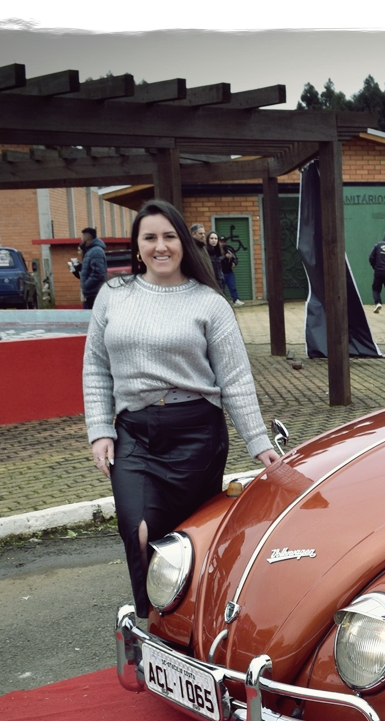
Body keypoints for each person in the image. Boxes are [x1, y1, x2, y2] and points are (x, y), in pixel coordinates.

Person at [82, 199, 279, 618]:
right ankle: (151, 623)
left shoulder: (209, 303)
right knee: (139, 531)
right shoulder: (113, 295)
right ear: (137, 247)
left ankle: (193, 624)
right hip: (134, 435)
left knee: (191, 541)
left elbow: (235, 379)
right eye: (150, 237)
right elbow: (96, 367)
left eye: (169, 236)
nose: (161, 246)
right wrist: (100, 430)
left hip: (196, 435)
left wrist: (259, 442)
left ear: (183, 243)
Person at [77, 227, 107, 310]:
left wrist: (86, 285)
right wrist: (78, 267)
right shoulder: (90, 251)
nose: (81, 239)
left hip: (95, 293)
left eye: (82, 237)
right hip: (91, 293)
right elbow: (89, 269)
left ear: (86, 238)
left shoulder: (96, 251)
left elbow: (98, 272)